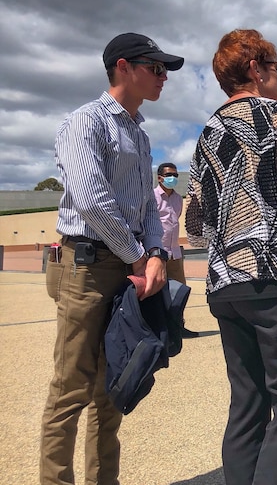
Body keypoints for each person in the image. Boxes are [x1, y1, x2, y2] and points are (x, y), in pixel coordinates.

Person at [41, 32, 183, 485]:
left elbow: (146, 207)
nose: (164, 77)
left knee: (113, 385)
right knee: (71, 388)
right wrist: (140, 257)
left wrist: (157, 253)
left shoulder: (138, 134)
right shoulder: (85, 121)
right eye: (156, 68)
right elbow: (90, 199)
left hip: (127, 265)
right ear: (123, 67)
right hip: (86, 265)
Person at [186, 29, 277, 485]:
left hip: (225, 283)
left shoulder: (206, 133)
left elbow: (192, 223)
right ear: (255, 70)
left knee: (246, 403)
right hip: (276, 275)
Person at [153, 162, 198, 338]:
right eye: (170, 174)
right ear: (160, 178)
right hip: (158, 253)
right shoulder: (152, 197)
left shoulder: (178, 199)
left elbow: (175, 221)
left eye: (176, 175)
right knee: (157, 293)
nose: (173, 178)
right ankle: (159, 330)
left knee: (180, 291)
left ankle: (178, 327)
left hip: (175, 253)